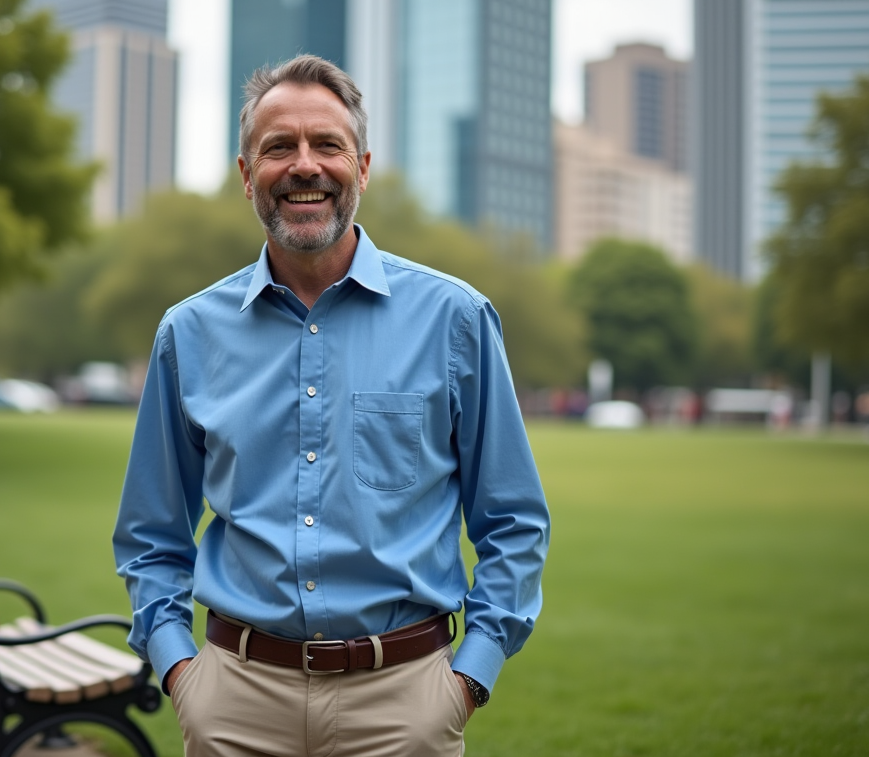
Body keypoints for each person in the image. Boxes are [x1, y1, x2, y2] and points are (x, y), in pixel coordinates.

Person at [113, 55, 550, 756]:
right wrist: (183, 674)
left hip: (406, 705)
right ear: (246, 174)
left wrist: (468, 677)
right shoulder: (187, 334)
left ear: (364, 166)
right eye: (278, 147)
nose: (304, 166)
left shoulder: (456, 320)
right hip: (234, 703)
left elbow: (513, 520)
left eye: (328, 145)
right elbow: (150, 533)